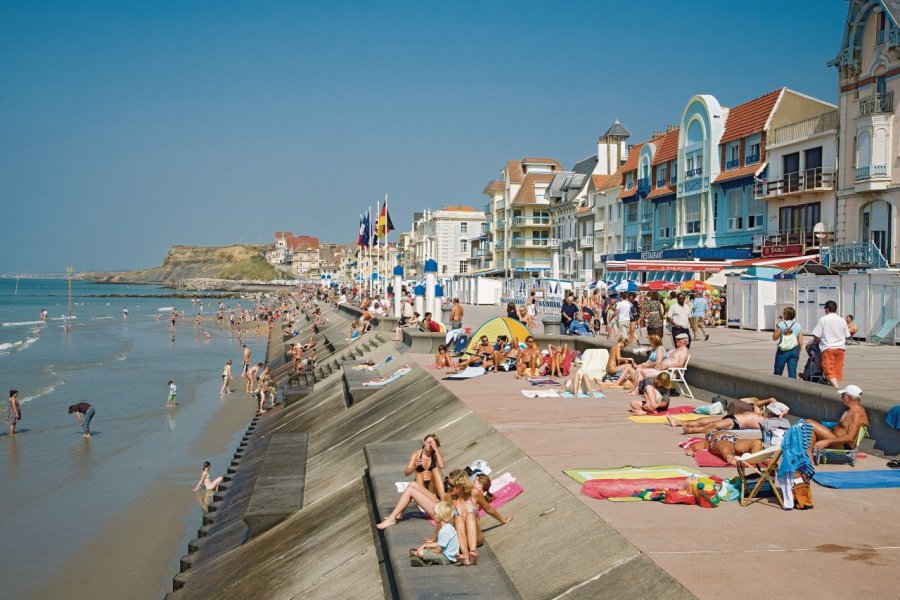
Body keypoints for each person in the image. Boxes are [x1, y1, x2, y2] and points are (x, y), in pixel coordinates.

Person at [807, 384, 869, 456]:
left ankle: (809, 456)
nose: (841, 398)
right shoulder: (851, 410)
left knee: (809, 423)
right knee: (810, 429)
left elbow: (850, 438)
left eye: (843, 395)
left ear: (848, 397)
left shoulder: (857, 414)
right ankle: (809, 456)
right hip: (835, 438)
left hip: (841, 445)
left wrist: (827, 441)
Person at [811, 300, 851, 388]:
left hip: (828, 348)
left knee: (828, 370)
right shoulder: (842, 320)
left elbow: (816, 335)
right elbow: (847, 335)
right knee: (836, 370)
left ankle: (837, 390)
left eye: (825, 308)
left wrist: (815, 341)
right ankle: (833, 387)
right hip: (840, 349)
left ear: (827, 309)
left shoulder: (823, 319)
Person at [411, 501, 459, 566]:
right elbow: (440, 543)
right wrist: (425, 546)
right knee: (425, 549)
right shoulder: (449, 526)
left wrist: (427, 552)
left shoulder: (444, 531)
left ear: (439, 516)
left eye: (435, 514)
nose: (433, 516)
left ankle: (425, 559)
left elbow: (438, 550)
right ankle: (421, 555)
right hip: (451, 555)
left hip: (447, 558)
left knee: (421, 553)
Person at [404, 434, 446, 500]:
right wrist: (414, 466)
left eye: (432, 444)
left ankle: (443, 500)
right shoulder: (416, 454)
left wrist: (437, 450)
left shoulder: (435, 454)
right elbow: (406, 473)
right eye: (428, 442)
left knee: (436, 470)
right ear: (424, 442)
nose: (430, 445)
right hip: (421, 484)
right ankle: (421, 498)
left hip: (431, 486)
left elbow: (441, 466)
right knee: (419, 473)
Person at [773, 307, 803, 379]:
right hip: (794, 350)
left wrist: (778, 325)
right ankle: (794, 388)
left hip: (783, 350)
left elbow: (774, 337)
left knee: (778, 372)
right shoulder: (798, 325)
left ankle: (776, 388)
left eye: (784, 313)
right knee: (792, 373)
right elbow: (801, 342)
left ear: (786, 315)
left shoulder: (782, 324)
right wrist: (798, 352)